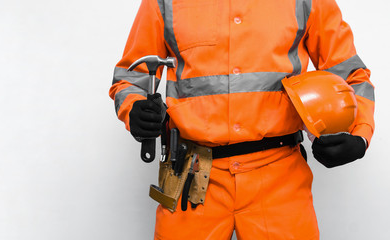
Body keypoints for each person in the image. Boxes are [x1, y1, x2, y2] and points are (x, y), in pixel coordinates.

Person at [109, 0, 375, 239]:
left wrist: (359, 134)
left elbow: (351, 76)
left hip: (280, 177)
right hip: (191, 176)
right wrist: (133, 108)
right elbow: (130, 78)